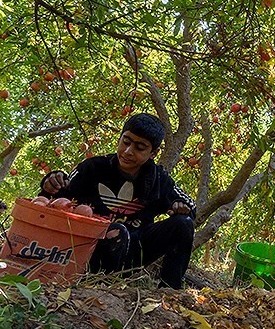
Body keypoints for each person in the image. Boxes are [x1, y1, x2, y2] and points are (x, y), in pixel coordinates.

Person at [38, 113, 196, 289]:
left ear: (153, 153)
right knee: (115, 230)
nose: (128, 151)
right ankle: (93, 279)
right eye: (126, 142)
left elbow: (190, 205)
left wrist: (182, 208)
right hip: (88, 249)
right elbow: (54, 200)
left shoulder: (160, 180)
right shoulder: (92, 168)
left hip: (132, 253)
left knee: (184, 224)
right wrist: (51, 183)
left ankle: (170, 289)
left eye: (139, 147)